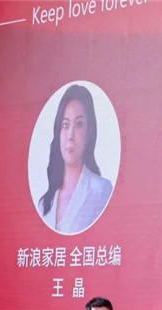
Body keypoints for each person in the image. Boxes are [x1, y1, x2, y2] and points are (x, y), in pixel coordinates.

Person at [38, 85, 113, 234]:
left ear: (89, 131)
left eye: (79, 124)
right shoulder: (44, 203)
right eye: (65, 125)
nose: (70, 136)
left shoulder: (101, 191)